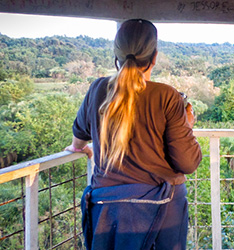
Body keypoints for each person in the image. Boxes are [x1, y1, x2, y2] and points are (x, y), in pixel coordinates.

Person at [65, 19, 202, 250]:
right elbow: (188, 162)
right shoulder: (167, 96)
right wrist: (187, 125)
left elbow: (79, 137)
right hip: (161, 207)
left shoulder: (98, 89)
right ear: (154, 57)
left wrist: (80, 149)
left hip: (107, 208)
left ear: (115, 55)